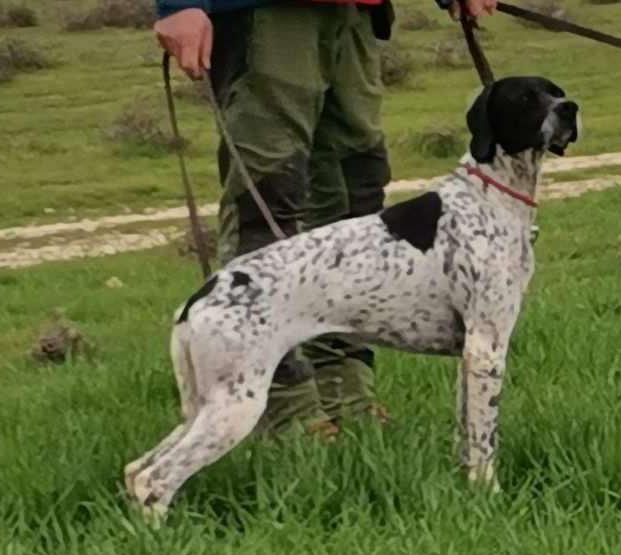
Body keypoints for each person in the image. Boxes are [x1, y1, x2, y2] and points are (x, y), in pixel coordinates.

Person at [154, 0, 497, 437]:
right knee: (268, 193)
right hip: (267, 15)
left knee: (355, 195)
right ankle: (282, 404)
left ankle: (345, 390)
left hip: (354, 13)